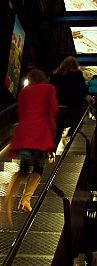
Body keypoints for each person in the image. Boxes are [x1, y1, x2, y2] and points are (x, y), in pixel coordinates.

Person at [4, 69, 58, 225]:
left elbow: (20, 112)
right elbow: (52, 111)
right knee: (39, 167)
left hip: (25, 135)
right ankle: (26, 199)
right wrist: (52, 137)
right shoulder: (49, 89)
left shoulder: (24, 92)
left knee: (24, 167)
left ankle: (8, 199)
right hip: (40, 135)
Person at [50, 55, 95, 149]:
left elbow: (50, 90)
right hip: (72, 108)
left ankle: (51, 154)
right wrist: (88, 98)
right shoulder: (77, 75)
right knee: (80, 121)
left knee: (57, 131)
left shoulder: (55, 76)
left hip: (58, 109)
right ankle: (70, 136)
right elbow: (83, 90)